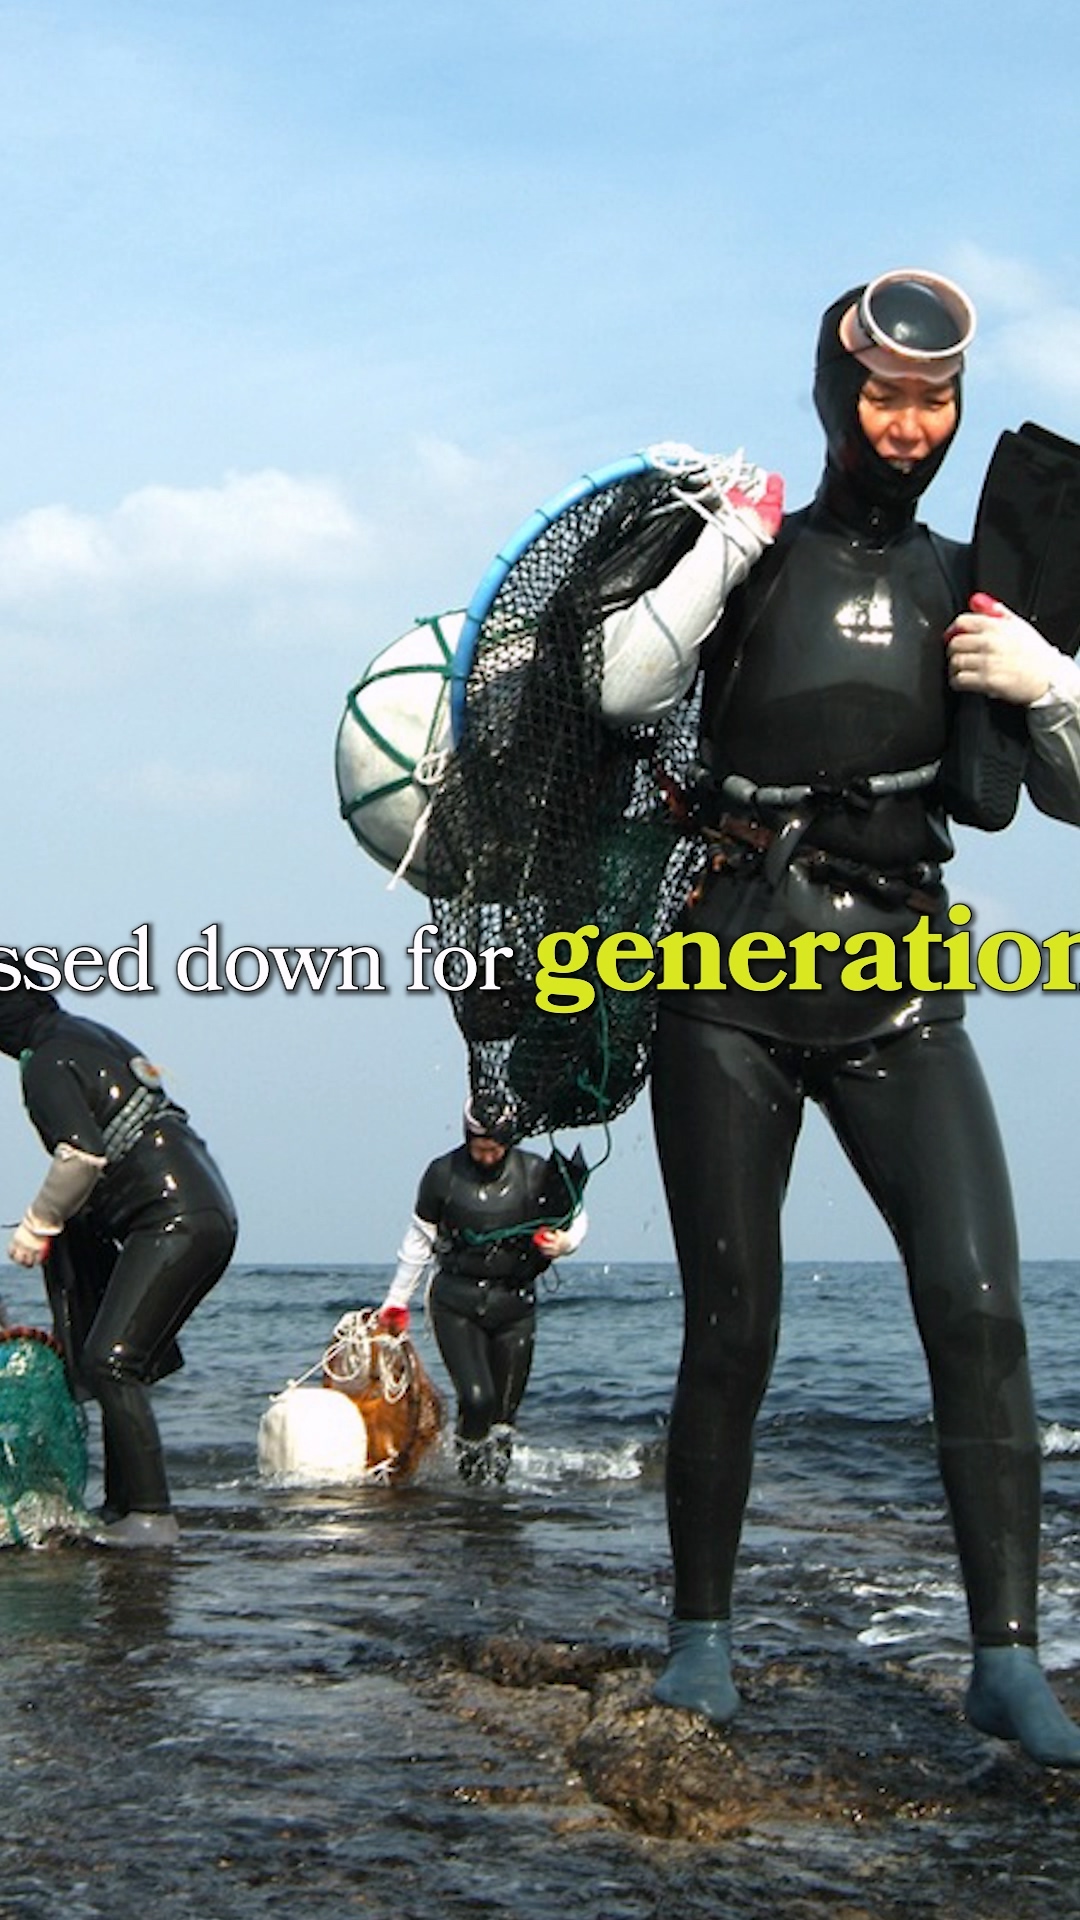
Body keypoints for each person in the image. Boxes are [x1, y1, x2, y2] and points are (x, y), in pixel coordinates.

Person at [600, 269, 1080, 1766]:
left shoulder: (962, 579)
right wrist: (720, 549)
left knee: (982, 1307)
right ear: (835, 393)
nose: (908, 423)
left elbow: (1060, 791)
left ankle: (1007, 1663)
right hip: (724, 992)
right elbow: (620, 689)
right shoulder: (754, 557)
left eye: (934, 400)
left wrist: (1054, 683)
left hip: (902, 988)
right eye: (882, 394)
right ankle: (701, 1644)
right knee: (734, 1321)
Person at [2, 979, 238, 1547]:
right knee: (116, 1357)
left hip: (170, 1219)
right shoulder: (83, 1033)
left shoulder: (44, 1062)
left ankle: (153, 1518)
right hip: (200, 1209)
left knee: (111, 1362)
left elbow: (80, 1155)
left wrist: (37, 1225)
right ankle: (121, 1507)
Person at [377, 1102, 587, 1482]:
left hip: (515, 1305)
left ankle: (495, 1493)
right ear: (467, 1137)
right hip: (456, 1303)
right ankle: (470, 1483)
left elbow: (577, 1215)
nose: (488, 1156)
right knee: (477, 1400)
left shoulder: (535, 1172)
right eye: (480, 1148)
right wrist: (396, 1300)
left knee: (504, 1416)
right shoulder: (442, 1175)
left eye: (496, 1148)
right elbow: (419, 1240)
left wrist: (565, 1242)